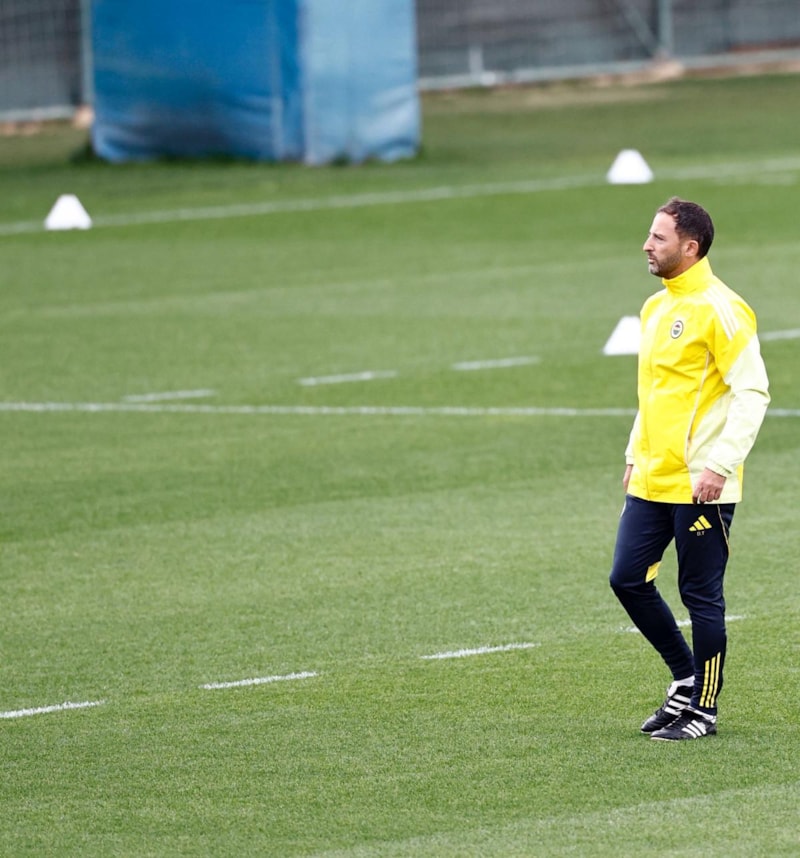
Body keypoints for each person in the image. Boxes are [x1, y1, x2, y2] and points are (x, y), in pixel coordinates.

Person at [609, 197, 770, 741]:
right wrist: (634, 454)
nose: (647, 245)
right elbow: (654, 393)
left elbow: (753, 392)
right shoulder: (655, 308)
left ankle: (704, 709)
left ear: (690, 247)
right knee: (627, 578)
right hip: (652, 478)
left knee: (700, 595)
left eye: (659, 238)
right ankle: (684, 678)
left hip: (703, 483)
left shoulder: (723, 308)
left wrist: (720, 465)